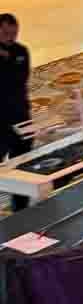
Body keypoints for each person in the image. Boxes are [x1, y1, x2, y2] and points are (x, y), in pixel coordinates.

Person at [0, 13, 32, 211]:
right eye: (5, 33)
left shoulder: (21, 51)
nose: (10, 38)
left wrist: (8, 60)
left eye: (14, 33)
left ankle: (21, 211)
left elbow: (19, 80)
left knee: (23, 165)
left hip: (20, 117)